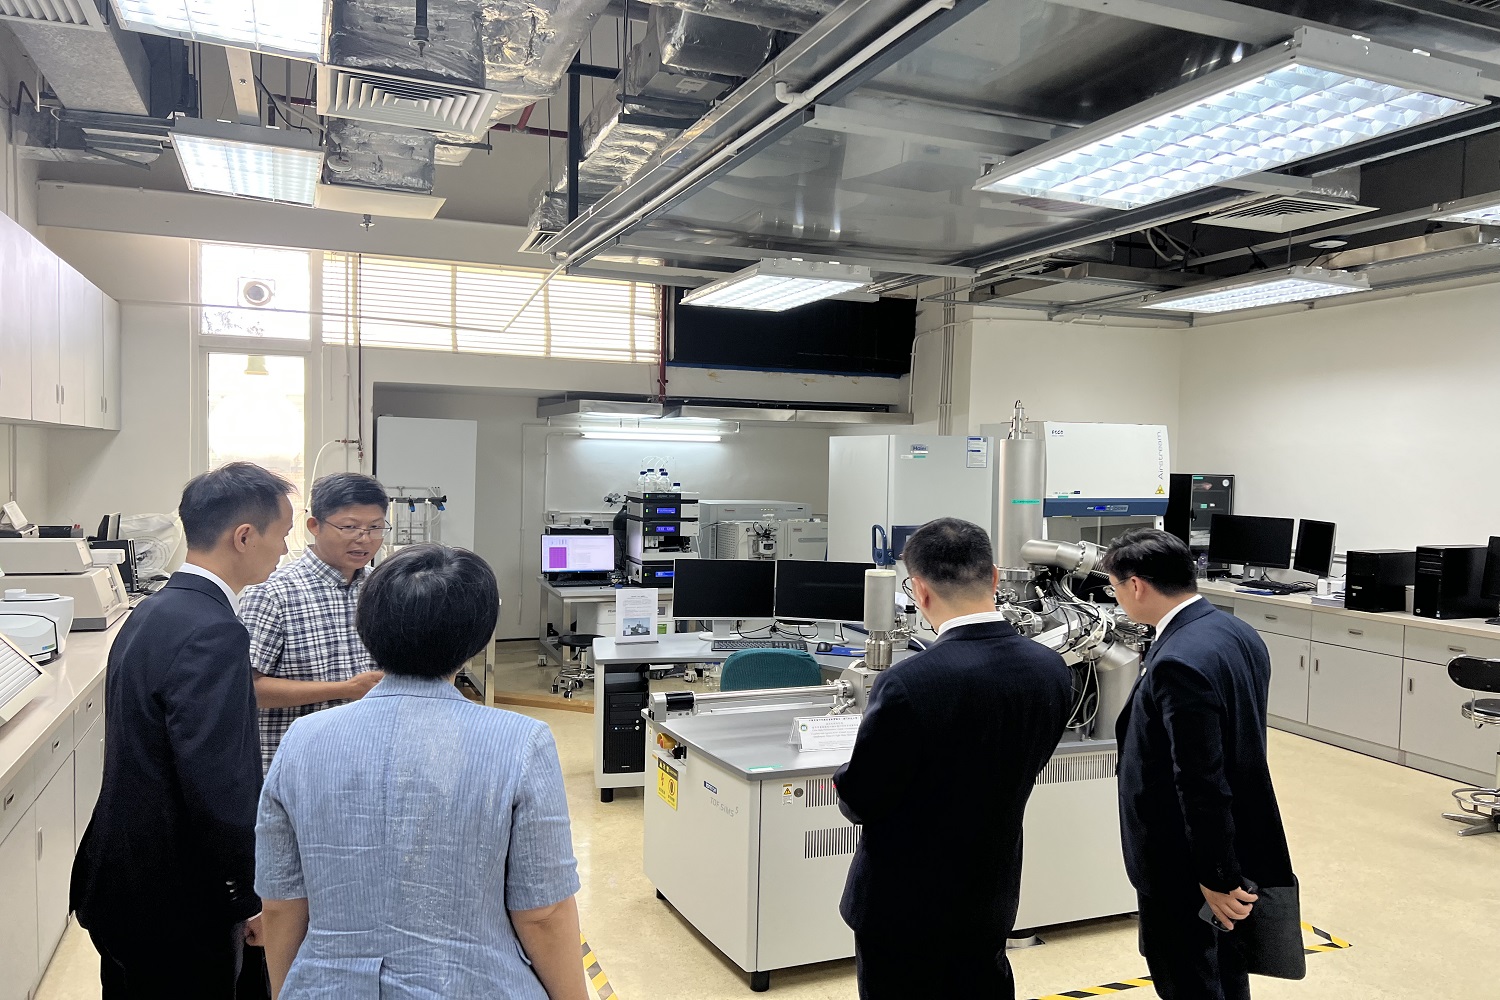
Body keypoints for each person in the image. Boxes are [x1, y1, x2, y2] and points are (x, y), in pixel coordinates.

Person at [254, 544, 587, 1000]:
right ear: (479, 635)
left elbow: (281, 904)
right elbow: (543, 914)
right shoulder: (519, 742)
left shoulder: (303, 740)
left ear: (367, 627)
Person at [71, 462, 295, 999]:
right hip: (175, 898)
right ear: (245, 536)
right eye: (282, 534)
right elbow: (218, 784)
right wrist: (249, 896)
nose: (285, 550)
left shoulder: (154, 610)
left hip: (120, 877)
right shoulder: (214, 632)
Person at [833, 517, 1074, 1000]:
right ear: (995, 577)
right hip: (990, 894)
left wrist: (843, 776)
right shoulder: (1050, 668)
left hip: (902, 905)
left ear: (920, 591)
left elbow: (861, 798)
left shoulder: (910, 682)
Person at [1103, 528, 1295, 1000]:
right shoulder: (1235, 631)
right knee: (1226, 969)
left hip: (1184, 861)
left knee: (1188, 976)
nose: (1116, 597)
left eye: (1114, 587)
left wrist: (1216, 877)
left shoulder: (1179, 661)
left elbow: (1199, 780)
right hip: (1236, 839)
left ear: (1136, 586)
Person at [240, 472, 389, 772]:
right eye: (349, 527)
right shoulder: (273, 593)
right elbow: (247, 689)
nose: (364, 539)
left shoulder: (384, 587)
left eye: (375, 527)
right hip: (298, 764)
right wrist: (345, 689)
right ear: (314, 526)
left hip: (368, 758)